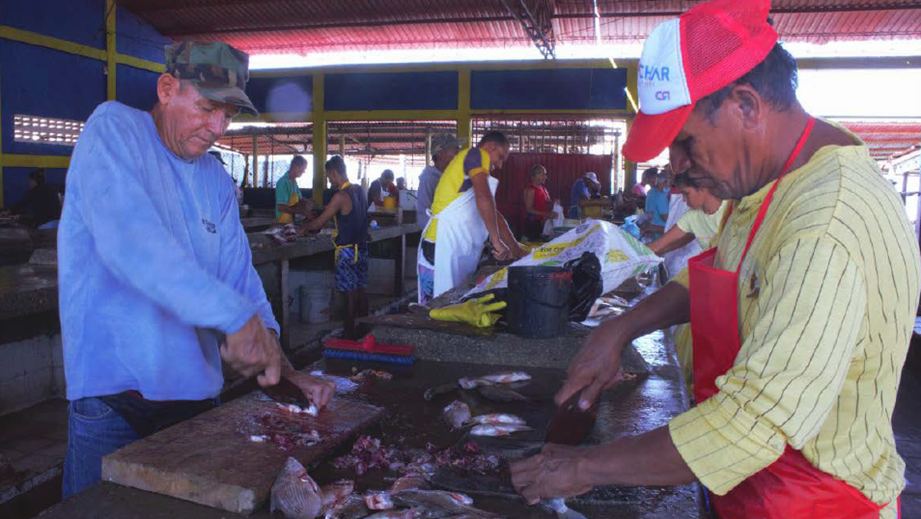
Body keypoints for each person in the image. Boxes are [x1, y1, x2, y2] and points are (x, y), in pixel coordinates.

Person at [510, 1, 918, 518]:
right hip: (750, 491)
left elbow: (749, 425)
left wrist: (581, 469)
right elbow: (720, 275)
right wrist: (618, 330)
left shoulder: (825, 222)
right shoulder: (767, 188)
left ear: (746, 105)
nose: (677, 166)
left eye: (684, 141)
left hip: (819, 503)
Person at [57, 41, 335, 499]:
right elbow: (132, 244)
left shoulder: (214, 180)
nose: (217, 127)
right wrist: (234, 319)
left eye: (228, 115)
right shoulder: (113, 131)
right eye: (208, 108)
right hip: (114, 404)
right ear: (167, 89)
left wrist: (284, 369)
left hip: (196, 404)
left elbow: (241, 282)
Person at [417, 131, 527, 304]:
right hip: (439, 245)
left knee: (449, 305)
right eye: (500, 157)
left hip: (451, 247)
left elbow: (494, 214)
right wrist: (497, 243)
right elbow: (484, 197)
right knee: (435, 307)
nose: (499, 165)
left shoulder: (472, 173)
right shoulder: (476, 154)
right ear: (490, 147)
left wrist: (516, 250)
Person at [298, 156, 368, 339]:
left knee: (348, 293)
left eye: (329, 177)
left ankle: (349, 333)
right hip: (361, 247)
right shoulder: (359, 190)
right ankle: (364, 329)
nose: (330, 181)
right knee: (360, 289)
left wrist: (301, 227)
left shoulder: (340, 196)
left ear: (334, 173)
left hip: (346, 250)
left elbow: (318, 224)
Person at [648, 172, 726, 257]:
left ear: (702, 188)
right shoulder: (691, 217)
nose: (684, 200)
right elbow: (657, 245)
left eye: (686, 193)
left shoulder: (732, 209)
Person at [417, 133, 463, 230]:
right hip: (439, 235)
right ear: (441, 154)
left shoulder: (453, 175)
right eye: (455, 148)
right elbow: (423, 215)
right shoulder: (429, 179)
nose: (458, 151)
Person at [522, 164, 557, 241]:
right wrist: (546, 214)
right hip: (532, 225)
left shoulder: (544, 189)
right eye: (544, 174)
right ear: (537, 175)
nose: (546, 177)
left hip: (542, 224)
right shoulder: (530, 190)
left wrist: (555, 204)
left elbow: (548, 203)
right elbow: (529, 209)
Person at [275, 156, 311, 224]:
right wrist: (302, 212)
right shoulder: (282, 182)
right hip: (282, 222)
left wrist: (309, 203)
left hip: (291, 221)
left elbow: (300, 199)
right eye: (303, 169)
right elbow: (281, 207)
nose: (304, 172)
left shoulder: (294, 182)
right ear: (296, 167)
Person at [641, 171, 670, 238]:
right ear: (665, 183)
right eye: (669, 183)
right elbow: (666, 218)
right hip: (659, 231)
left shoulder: (651, 192)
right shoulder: (660, 196)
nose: (669, 186)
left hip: (652, 228)